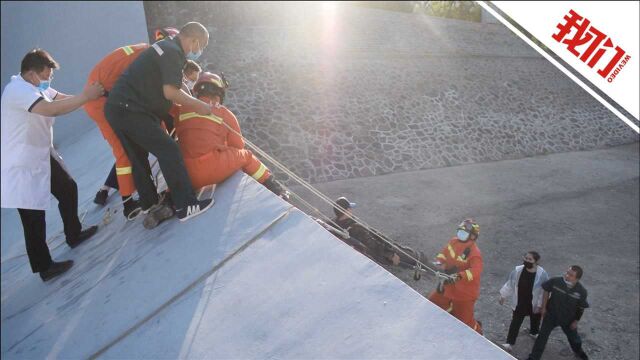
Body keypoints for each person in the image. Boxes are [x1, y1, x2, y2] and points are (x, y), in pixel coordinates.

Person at [1, 49, 104, 281]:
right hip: (20, 162)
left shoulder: (38, 86)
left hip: (40, 153)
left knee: (68, 188)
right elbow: (51, 109)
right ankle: (45, 267)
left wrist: (92, 96)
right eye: (46, 75)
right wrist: (86, 96)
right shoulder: (16, 90)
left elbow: (63, 100)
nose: (48, 80)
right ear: (31, 73)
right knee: (33, 217)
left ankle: (73, 234)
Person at [104, 22, 215, 229]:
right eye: (200, 47)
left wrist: (189, 100)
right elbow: (171, 92)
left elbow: (174, 83)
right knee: (169, 149)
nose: (197, 51)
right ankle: (186, 205)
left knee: (137, 157)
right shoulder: (174, 52)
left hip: (116, 107)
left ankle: (149, 203)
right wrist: (199, 105)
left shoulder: (165, 47)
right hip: (131, 108)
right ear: (194, 40)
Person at [85, 27, 179, 218]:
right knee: (125, 153)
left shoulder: (144, 52)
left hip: (108, 99)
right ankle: (129, 204)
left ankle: (145, 197)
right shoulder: (149, 59)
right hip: (102, 102)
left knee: (144, 142)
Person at [174, 72, 289, 198]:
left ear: (197, 91)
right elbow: (238, 146)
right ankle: (275, 189)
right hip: (209, 170)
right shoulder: (225, 114)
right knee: (246, 156)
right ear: (220, 93)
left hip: (184, 175)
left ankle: (169, 201)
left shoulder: (182, 109)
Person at [317, 197, 423, 268]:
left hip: (372, 248)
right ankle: (425, 263)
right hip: (379, 252)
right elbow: (373, 244)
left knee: (402, 249)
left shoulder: (333, 224)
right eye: (350, 209)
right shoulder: (355, 227)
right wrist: (391, 255)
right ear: (346, 211)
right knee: (411, 256)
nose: (351, 211)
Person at [427, 219, 483, 334]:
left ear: (472, 236)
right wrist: (439, 262)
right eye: (460, 231)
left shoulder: (474, 252)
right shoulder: (453, 242)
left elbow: (476, 270)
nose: (460, 234)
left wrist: (460, 276)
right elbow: (444, 253)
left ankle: (479, 334)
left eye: (464, 232)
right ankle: (450, 317)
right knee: (434, 302)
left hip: (464, 292)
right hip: (449, 285)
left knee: (465, 322)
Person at [526, 266, 589, 360]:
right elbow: (546, 290)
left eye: (571, 275)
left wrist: (575, 321)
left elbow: (581, 307)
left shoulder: (582, 291)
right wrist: (543, 307)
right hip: (551, 315)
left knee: (574, 338)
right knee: (542, 337)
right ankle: (534, 357)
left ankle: (578, 351)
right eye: (567, 272)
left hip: (568, 319)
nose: (567, 276)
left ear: (577, 278)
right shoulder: (556, 281)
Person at [499, 251, 549, 352]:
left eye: (530, 259)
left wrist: (540, 305)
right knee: (515, 322)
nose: (526, 261)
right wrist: (503, 296)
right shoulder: (518, 271)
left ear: (536, 261)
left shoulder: (542, 274)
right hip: (520, 301)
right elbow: (510, 283)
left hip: (534, 303)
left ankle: (534, 332)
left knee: (535, 319)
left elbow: (544, 291)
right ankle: (509, 342)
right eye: (526, 258)